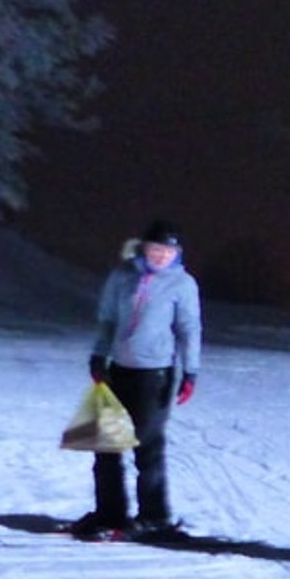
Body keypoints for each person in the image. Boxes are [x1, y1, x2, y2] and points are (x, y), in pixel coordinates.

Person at [76, 219, 203, 542]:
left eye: (168, 250)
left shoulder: (182, 284)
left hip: (155, 375)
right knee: (105, 444)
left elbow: (189, 329)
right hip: (117, 369)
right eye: (155, 249)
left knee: (147, 446)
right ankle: (109, 512)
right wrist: (98, 355)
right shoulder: (123, 276)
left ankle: (154, 516)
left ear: (177, 253)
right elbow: (107, 319)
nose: (161, 255)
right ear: (143, 248)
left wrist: (190, 371)